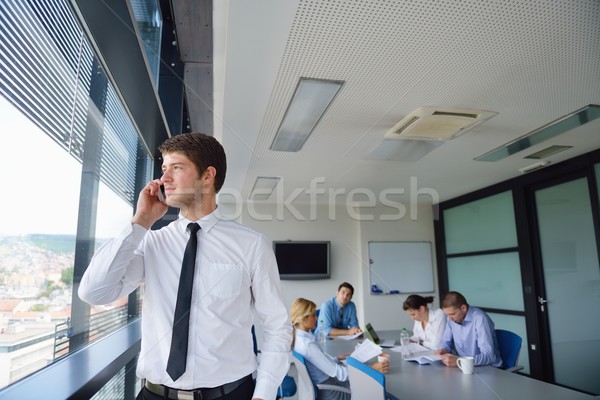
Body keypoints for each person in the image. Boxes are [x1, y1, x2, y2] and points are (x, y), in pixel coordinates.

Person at [78, 132, 292, 400]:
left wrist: (264, 393)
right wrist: (140, 222)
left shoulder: (252, 246)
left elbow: (277, 325)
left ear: (207, 176)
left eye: (176, 168)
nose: (164, 178)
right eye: (164, 169)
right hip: (154, 394)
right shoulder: (151, 242)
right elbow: (95, 292)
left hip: (230, 394)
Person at [291, 298, 388, 400]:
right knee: (374, 391)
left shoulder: (300, 338)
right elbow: (340, 374)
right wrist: (372, 369)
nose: (317, 318)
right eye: (313, 315)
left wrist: (336, 359)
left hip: (326, 385)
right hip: (331, 392)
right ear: (303, 319)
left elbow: (318, 362)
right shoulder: (308, 345)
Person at [435, 291, 502, 368]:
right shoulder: (451, 319)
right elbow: (445, 342)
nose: (449, 319)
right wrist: (443, 349)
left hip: (486, 367)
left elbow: (489, 356)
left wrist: (460, 361)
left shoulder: (480, 318)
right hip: (464, 366)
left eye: (452, 314)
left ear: (463, 308)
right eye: (447, 315)